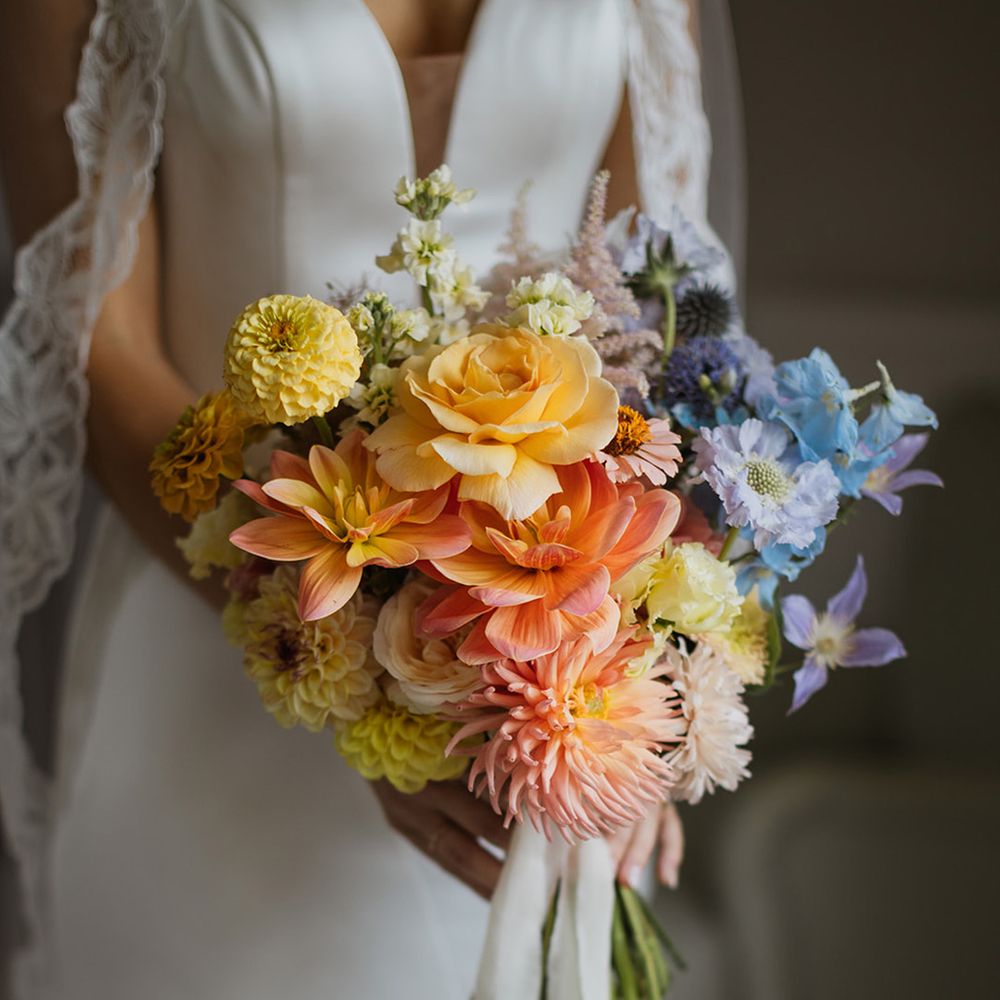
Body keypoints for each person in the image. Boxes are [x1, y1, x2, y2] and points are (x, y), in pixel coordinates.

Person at [0, 1, 738, 995]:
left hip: (539, 676)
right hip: (219, 638)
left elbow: (661, 315)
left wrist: (644, 673)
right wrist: (367, 675)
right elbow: (95, 340)